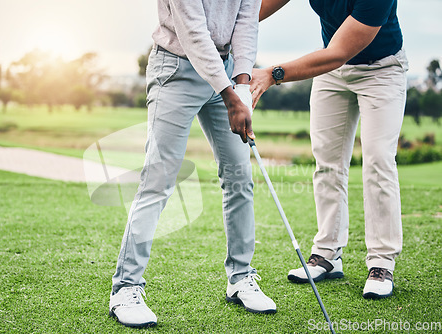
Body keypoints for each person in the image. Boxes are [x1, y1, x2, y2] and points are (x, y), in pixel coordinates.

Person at [109, 0, 277, 328]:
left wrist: (241, 87)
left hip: (226, 73)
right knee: (159, 178)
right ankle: (125, 288)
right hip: (177, 68)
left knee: (240, 176)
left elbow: (246, 22)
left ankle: (241, 277)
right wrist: (231, 96)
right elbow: (193, 32)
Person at [250, 0, 408, 300]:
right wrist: (223, 29)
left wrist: (273, 73)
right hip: (333, 72)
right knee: (327, 162)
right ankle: (327, 255)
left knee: (378, 161)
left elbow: (338, 52)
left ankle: (381, 263)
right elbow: (256, 8)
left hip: (381, 69)